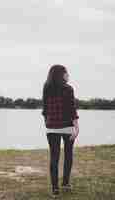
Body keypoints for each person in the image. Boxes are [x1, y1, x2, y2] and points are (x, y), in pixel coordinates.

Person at [42, 64, 79, 198]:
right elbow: (72, 109)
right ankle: (65, 183)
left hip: (51, 128)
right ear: (60, 74)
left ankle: (55, 189)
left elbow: (45, 109)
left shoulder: (47, 87)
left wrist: (47, 121)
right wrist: (77, 127)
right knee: (68, 155)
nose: (68, 75)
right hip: (67, 126)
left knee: (54, 158)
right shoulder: (68, 89)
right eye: (66, 72)